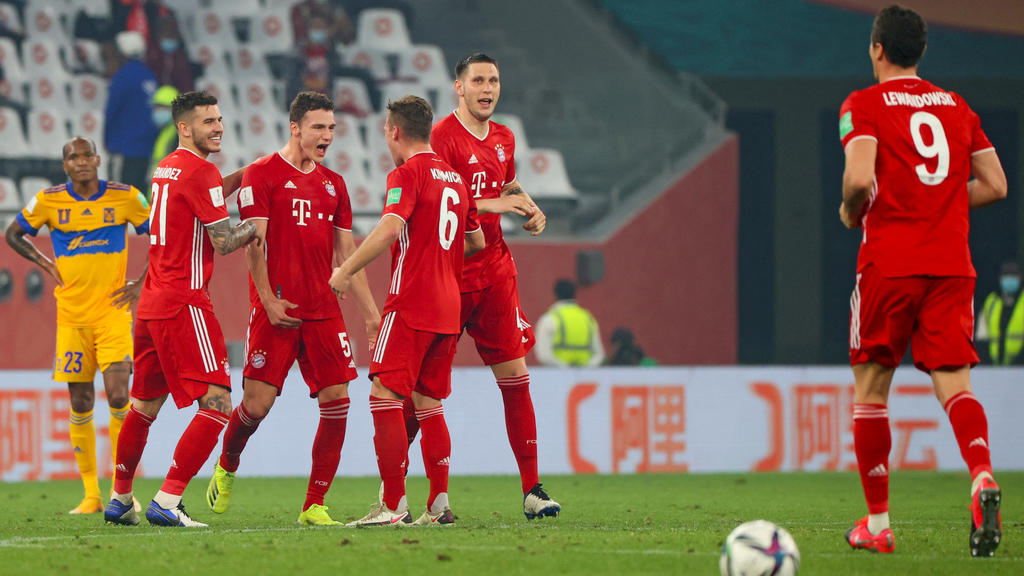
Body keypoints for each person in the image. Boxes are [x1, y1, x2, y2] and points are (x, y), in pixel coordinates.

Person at [837, 5, 1008, 557]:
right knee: (955, 384)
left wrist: (849, 210)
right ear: (922, 52)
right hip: (952, 266)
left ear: (876, 49)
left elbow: (860, 177)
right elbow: (997, 184)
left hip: (889, 263)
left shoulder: (862, 105)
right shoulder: (957, 106)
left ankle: (879, 523)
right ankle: (981, 475)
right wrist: (936, 205)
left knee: (871, 390)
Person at [205, 92, 381, 526]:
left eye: (332, 128)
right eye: (318, 127)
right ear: (295, 128)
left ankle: (313, 505)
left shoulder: (334, 185)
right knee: (256, 406)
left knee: (338, 399)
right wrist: (265, 298)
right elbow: (253, 242)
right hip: (276, 309)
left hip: (323, 310)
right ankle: (227, 464)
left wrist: (372, 314)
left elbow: (348, 254)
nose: (327, 136)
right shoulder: (262, 175)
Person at [103, 91, 259, 528]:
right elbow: (224, 241)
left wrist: (245, 175)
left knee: (144, 406)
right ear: (184, 127)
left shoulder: (167, 168)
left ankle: (119, 498)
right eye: (208, 121)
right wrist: (255, 228)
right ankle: (168, 500)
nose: (219, 127)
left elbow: (200, 195)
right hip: (183, 301)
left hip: (153, 301)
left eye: (219, 119)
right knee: (217, 403)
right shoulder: (202, 170)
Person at [329, 95, 484, 526]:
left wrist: (346, 269)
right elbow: (476, 243)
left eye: (385, 131)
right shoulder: (454, 177)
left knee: (384, 396)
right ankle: (439, 504)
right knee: (429, 402)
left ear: (394, 131)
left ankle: (393, 504)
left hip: (412, 301)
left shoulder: (406, 172)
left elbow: (389, 227)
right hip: (449, 306)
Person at [427, 53, 560, 519]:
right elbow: (445, 201)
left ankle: (533, 490)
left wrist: (529, 205)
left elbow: (508, 184)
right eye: (478, 80)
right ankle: (406, 496)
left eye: (494, 80)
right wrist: (502, 203)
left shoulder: (504, 137)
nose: (488, 88)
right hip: (448, 277)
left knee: (516, 380)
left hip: (496, 274)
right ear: (458, 87)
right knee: (424, 390)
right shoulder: (441, 139)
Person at [5, 136, 149, 515]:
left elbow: (162, 237)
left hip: (113, 312)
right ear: (64, 165)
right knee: (81, 401)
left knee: (120, 396)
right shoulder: (49, 201)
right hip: (71, 317)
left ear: (98, 159)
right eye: (74, 157)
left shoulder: (127, 197)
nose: (82, 161)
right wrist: (45, 263)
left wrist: (142, 282)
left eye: (87, 155)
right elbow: (13, 234)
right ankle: (91, 496)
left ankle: (123, 492)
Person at [104, 31, 158, 194]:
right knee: (139, 194)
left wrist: (108, 141)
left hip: (125, 147)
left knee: (120, 195)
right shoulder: (149, 76)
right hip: (147, 146)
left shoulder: (122, 77)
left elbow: (112, 111)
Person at [534, 279, 605, 367]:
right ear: (575, 294)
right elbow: (599, 355)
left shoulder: (549, 319)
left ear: (555, 295)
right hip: (585, 377)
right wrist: (586, 368)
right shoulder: (588, 319)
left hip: (556, 375)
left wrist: (565, 367)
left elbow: (544, 355)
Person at [976, 261, 1024, 365]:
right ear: (999, 278)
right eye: (1006, 274)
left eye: (1013, 274)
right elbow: (982, 339)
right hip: (994, 369)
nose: (1009, 278)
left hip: (1020, 368)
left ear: (1020, 276)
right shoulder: (991, 302)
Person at [150, 84, 179, 184]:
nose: (158, 111)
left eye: (162, 107)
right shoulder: (163, 131)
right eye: (156, 107)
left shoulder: (179, 137)